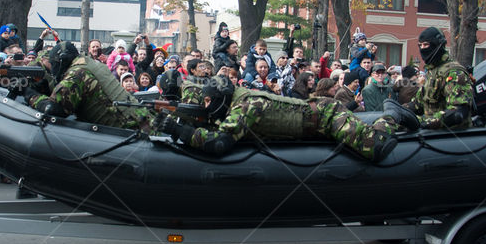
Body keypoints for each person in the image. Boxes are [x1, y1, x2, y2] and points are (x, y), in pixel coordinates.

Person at [159, 76, 401, 162]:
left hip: (325, 116)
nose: (207, 107)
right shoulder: (231, 102)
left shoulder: (246, 104)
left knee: (374, 148)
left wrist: (179, 131)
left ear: (221, 98)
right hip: (315, 118)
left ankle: (392, 115)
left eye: (210, 102)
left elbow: (220, 143)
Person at [26, 42, 160, 132]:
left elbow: (53, 110)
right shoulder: (90, 64)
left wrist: (31, 95)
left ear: (62, 61)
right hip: (142, 122)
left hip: (132, 131)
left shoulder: (77, 74)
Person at [411, 27, 474, 129]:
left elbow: (458, 112)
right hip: (432, 132)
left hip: (450, 135)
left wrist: (424, 122)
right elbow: (418, 104)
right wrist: (399, 113)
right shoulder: (432, 72)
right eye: (420, 45)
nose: (423, 48)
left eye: (426, 45)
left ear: (438, 45)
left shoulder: (454, 72)